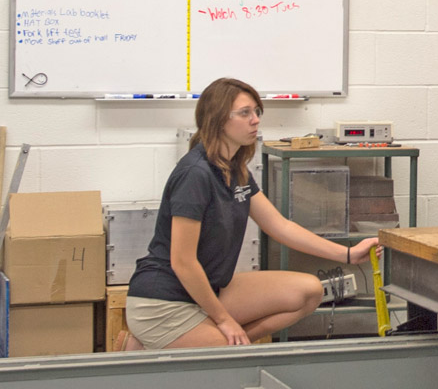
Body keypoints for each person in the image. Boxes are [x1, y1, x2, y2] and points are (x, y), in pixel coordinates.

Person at [120, 78, 380, 350]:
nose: (255, 120)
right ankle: (156, 342)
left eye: (257, 112)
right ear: (217, 120)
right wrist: (223, 319)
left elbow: (279, 226)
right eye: (244, 113)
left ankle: (223, 342)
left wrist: (348, 254)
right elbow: (183, 262)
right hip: (163, 301)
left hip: (209, 289)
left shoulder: (235, 169)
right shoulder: (195, 174)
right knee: (232, 355)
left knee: (310, 292)